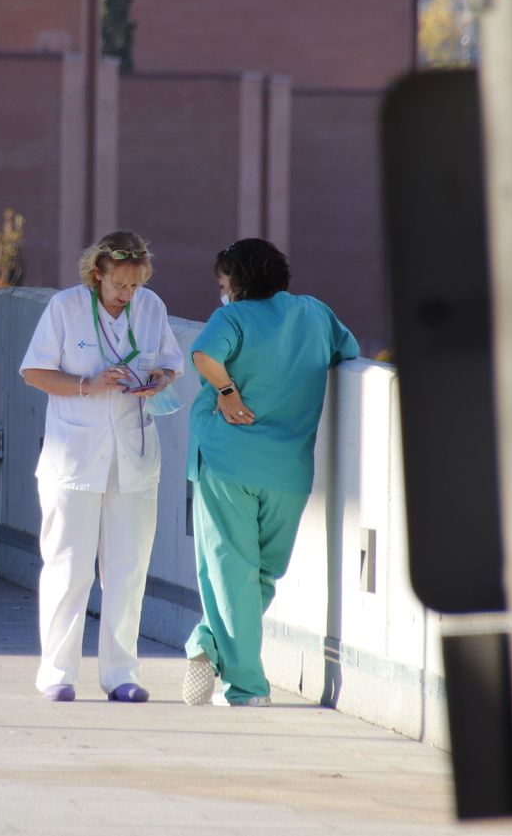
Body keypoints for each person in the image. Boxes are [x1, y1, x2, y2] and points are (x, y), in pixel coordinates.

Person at [181, 238, 359, 707]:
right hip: (288, 471)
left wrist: (227, 391)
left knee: (228, 572)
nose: (222, 293)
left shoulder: (232, 318)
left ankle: (243, 685)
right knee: (261, 576)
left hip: (227, 460)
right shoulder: (315, 314)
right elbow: (349, 350)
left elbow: (203, 357)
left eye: (224, 283)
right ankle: (209, 645)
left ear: (238, 282)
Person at [19, 230, 184, 703]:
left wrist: (157, 380)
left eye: (135, 285)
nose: (128, 294)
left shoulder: (151, 307)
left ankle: (121, 674)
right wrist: (88, 385)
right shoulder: (65, 308)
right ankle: (57, 674)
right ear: (98, 274)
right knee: (69, 568)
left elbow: (169, 364)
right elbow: (34, 372)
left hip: (133, 454)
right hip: (74, 456)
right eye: (120, 285)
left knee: (128, 571)